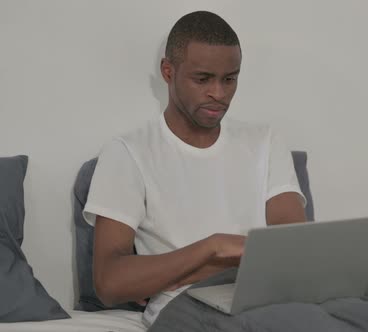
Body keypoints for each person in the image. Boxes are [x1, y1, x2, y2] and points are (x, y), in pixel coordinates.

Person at [83, 10, 306, 326]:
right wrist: (211, 247)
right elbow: (110, 283)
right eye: (203, 79)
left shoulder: (265, 142)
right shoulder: (127, 153)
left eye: (230, 79)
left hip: (273, 299)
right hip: (187, 308)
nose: (219, 93)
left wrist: (187, 268)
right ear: (168, 71)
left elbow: (295, 251)